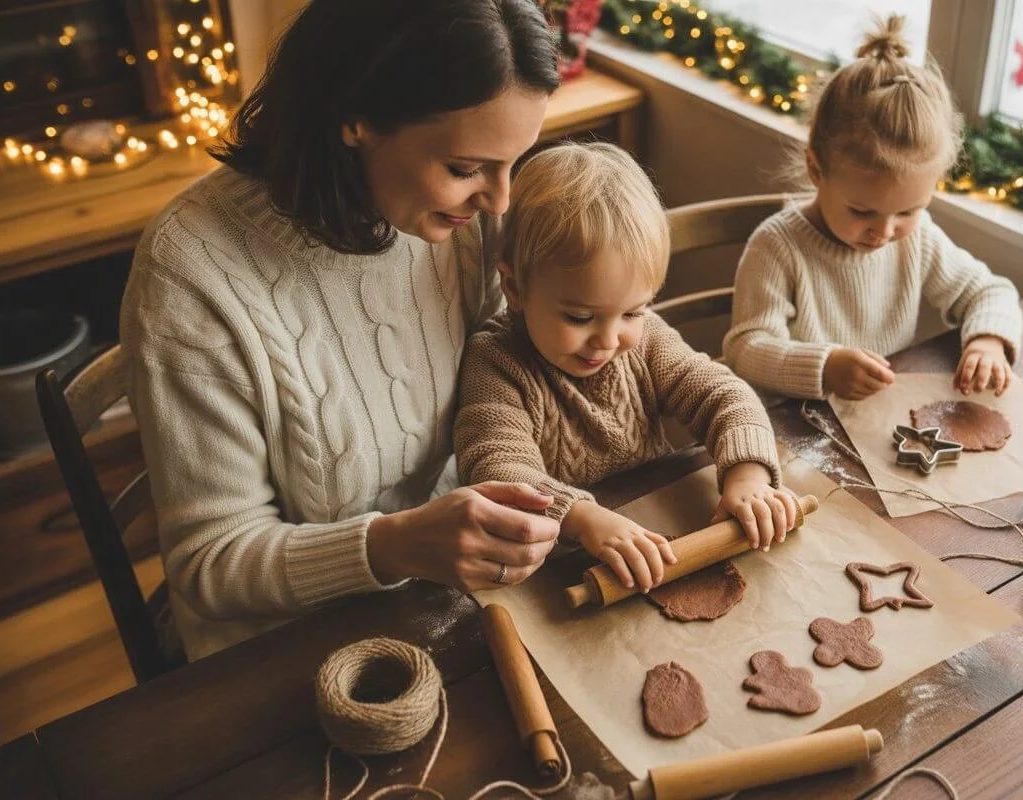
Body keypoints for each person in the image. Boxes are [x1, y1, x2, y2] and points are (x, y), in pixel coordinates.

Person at [120, 0, 563, 660]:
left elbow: (510, 381)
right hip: (282, 647)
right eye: (466, 169)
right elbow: (211, 563)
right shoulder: (190, 274)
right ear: (354, 118)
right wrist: (392, 544)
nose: (499, 201)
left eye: (514, 162)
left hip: (447, 599)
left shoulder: (470, 222)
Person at [454, 142, 797, 593]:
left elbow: (723, 394)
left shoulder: (647, 340)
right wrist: (584, 518)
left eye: (632, 312)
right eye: (579, 318)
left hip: (653, 538)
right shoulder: (495, 362)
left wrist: (747, 475)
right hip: (551, 570)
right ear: (515, 287)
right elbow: (498, 468)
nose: (609, 339)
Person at [723, 15, 1023, 403]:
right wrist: (824, 365)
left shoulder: (918, 239)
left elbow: (990, 291)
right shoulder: (777, 247)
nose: (883, 232)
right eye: (862, 211)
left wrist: (988, 340)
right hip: (791, 428)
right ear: (816, 169)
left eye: (907, 211)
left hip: (876, 418)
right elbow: (746, 348)